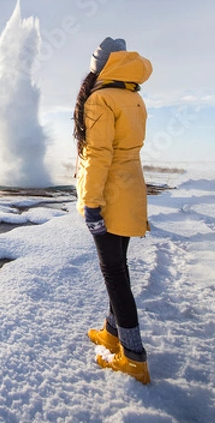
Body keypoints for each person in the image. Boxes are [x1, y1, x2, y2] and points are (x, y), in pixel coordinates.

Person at [73, 37, 153, 384]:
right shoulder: (133, 96)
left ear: (100, 66)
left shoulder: (100, 99)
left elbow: (99, 155)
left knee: (114, 274)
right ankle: (112, 332)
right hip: (132, 190)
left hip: (109, 196)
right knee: (118, 266)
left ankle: (134, 357)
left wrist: (91, 204)